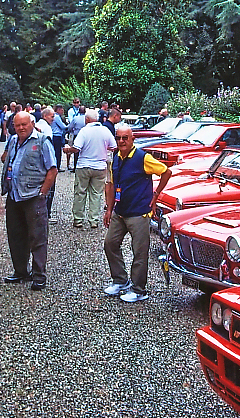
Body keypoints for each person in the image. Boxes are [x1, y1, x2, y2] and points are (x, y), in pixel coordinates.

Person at [103, 124, 172, 302]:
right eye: (118, 138)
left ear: (132, 139)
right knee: (110, 244)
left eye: (125, 138)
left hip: (139, 213)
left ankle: (139, 289)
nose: (121, 141)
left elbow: (166, 172)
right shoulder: (116, 158)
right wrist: (109, 209)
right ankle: (120, 280)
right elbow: (111, 184)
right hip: (120, 211)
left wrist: (155, 196)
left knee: (139, 252)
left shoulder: (143, 158)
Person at [0, 112, 57, 290]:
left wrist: (42, 193)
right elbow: (5, 159)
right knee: (15, 236)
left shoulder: (42, 141)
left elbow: (52, 170)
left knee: (38, 237)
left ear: (32, 123)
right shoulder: (12, 140)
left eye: (24, 124)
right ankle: (20, 271)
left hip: (33, 197)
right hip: (14, 195)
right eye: (17, 125)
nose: (21, 128)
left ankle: (39, 275)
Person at [64, 109, 116, 229]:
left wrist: (67, 150)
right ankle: (94, 220)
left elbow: (76, 148)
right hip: (100, 166)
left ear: (87, 119)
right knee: (96, 194)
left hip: (84, 165)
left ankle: (78, 219)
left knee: (80, 192)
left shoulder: (84, 131)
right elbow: (113, 146)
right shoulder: (105, 130)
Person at [66, 105, 87, 171]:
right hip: (86, 135)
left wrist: (71, 131)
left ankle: (75, 167)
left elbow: (70, 127)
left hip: (77, 135)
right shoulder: (87, 119)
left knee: (76, 151)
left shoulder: (75, 118)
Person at [51, 105, 67, 170]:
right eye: (61, 110)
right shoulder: (57, 117)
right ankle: (57, 167)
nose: (62, 111)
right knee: (58, 152)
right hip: (57, 135)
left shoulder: (54, 116)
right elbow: (62, 126)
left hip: (54, 135)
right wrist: (69, 126)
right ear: (58, 110)